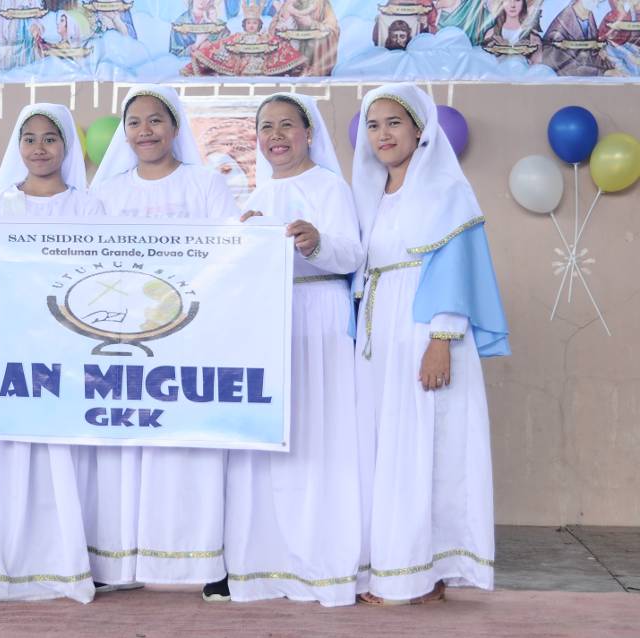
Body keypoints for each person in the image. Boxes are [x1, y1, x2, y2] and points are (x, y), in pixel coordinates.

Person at [351, 83, 510, 605]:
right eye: (373, 125)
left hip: (425, 330)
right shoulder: (371, 195)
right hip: (381, 336)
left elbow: (455, 268)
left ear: (419, 129)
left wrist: (441, 338)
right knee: (388, 450)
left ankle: (421, 575)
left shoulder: (446, 191)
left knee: (427, 448)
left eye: (394, 122)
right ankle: (405, 568)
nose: (382, 134)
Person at [78, 84, 238, 591]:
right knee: (123, 445)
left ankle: (203, 564)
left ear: (174, 128)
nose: (144, 131)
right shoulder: (105, 194)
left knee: (189, 446)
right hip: (121, 340)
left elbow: (231, 253)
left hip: (189, 337)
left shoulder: (207, 184)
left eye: (155, 121)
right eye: (134, 123)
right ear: (123, 133)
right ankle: (115, 564)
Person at [207, 93, 363, 605]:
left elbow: (352, 254)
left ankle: (321, 559)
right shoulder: (256, 195)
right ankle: (260, 564)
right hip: (267, 322)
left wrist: (317, 241)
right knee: (267, 439)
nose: (276, 135)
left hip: (318, 316)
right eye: (266, 127)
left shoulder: (330, 187)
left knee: (318, 435)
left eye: (286, 126)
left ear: (308, 132)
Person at [0, 103, 103, 603]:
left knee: (65, 454)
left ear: (68, 147)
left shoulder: (88, 207)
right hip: (11, 348)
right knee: (8, 451)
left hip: (68, 347)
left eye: (51, 138)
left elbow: (102, 271)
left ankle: (67, 562)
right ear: (18, 147)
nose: (40, 148)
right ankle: (5, 560)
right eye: (29, 138)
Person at [542, 0, 614, 75]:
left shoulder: (589, 16)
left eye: (598, 1)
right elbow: (566, 66)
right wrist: (604, 72)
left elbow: (592, 52)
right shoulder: (561, 25)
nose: (596, 3)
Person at [481, 0, 543, 65]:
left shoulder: (532, 35)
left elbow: (537, 64)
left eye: (517, 0)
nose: (512, 5)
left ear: (523, 3)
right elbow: (484, 61)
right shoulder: (492, 32)